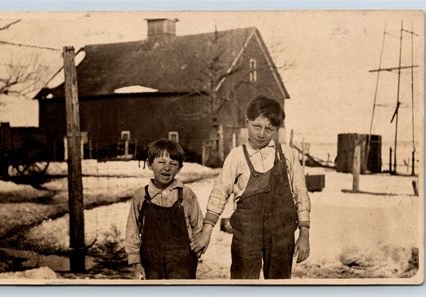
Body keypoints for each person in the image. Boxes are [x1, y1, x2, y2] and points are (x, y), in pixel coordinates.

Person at [191, 95, 311, 279]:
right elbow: (219, 193)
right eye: (257, 126)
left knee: (279, 286)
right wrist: (206, 231)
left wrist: (304, 234)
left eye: (269, 129)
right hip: (246, 234)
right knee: (243, 284)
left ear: (277, 130)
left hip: (281, 235)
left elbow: (301, 194)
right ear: (247, 121)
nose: (261, 134)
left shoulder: (288, 155)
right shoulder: (236, 156)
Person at [125, 139, 203, 279]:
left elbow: (198, 227)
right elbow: (132, 232)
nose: (167, 167)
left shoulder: (186, 195)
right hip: (151, 264)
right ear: (149, 164)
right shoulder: (141, 196)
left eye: (173, 164)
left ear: (179, 168)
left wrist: (197, 250)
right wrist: (136, 262)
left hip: (183, 264)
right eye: (161, 162)